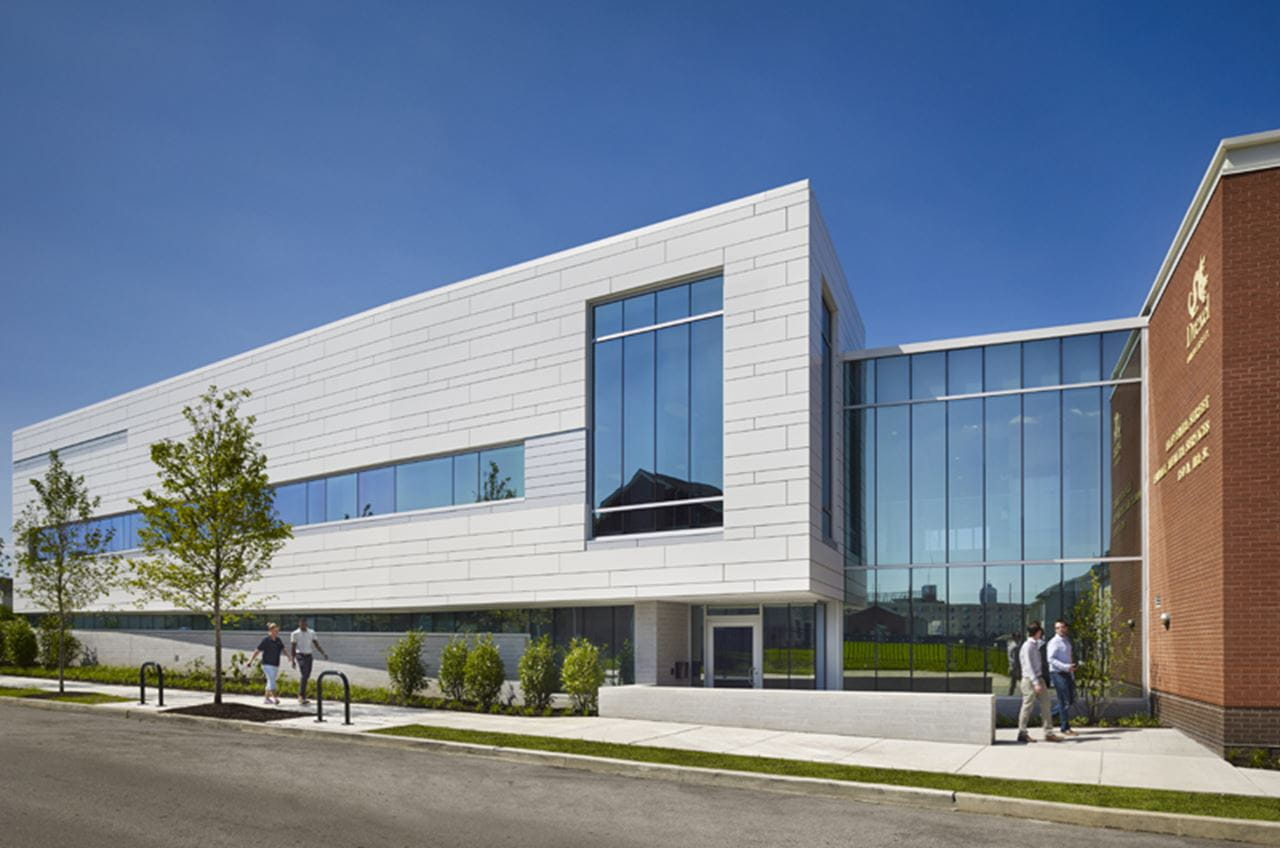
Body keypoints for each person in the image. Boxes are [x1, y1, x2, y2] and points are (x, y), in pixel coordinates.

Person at [1017, 622, 1060, 744]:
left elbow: (1042, 645)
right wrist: (1036, 683)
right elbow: (1029, 666)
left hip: (1038, 678)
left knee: (1046, 703)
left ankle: (1048, 732)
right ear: (1038, 632)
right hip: (1030, 680)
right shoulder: (1027, 646)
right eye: (1040, 632)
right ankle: (1022, 733)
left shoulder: (1035, 644)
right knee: (1027, 706)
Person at [1047, 618, 1078, 736]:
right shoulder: (1054, 642)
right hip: (1058, 673)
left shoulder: (1067, 641)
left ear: (1066, 628)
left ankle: (1048, 715)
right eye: (1057, 628)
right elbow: (1050, 659)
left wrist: (1071, 670)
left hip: (1067, 673)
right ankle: (1065, 728)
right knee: (1065, 701)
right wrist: (1065, 667)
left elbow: (1068, 658)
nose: (1060, 629)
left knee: (1069, 700)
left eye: (1062, 627)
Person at [248, 622, 290, 705]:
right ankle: (275, 698)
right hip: (267, 664)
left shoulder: (278, 640)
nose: (276, 632)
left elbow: (283, 649)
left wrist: (289, 657)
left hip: (275, 664)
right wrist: (250, 661)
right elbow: (257, 650)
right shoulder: (266, 640)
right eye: (275, 630)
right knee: (272, 680)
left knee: (270, 681)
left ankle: (266, 699)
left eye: (277, 631)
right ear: (271, 630)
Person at [290, 617, 329, 705]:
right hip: (300, 655)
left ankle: (303, 695)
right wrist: (293, 660)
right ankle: (301, 695)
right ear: (299, 624)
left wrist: (323, 653)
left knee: (307, 675)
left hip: (309, 655)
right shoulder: (295, 634)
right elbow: (293, 647)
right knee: (304, 674)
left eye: (305, 623)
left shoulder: (311, 632)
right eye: (301, 623)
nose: (303, 625)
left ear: (306, 624)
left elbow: (316, 644)